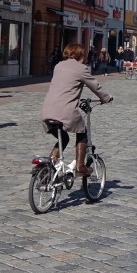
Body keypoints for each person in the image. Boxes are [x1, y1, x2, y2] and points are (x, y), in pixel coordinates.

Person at [41, 43, 113, 176]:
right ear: (80, 55)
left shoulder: (58, 66)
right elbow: (95, 86)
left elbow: (65, 88)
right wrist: (106, 98)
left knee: (63, 138)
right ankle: (80, 166)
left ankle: (48, 169)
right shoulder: (81, 68)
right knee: (82, 131)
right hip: (65, 112)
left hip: (47, 111)